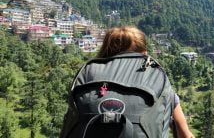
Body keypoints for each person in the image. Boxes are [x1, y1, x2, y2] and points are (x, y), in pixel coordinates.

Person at [61, 26, 194, 138]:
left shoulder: (89, 73)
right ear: (144, 53)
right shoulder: (153, 76)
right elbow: (185, 135)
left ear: (106, 50)